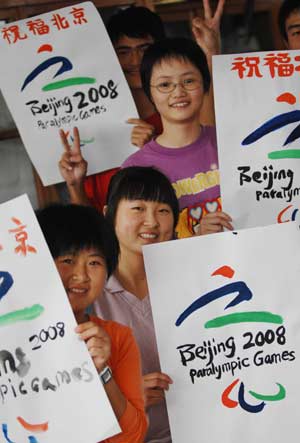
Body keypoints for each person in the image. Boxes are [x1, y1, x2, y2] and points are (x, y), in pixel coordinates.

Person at [79, 2, 224, 212]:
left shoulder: (207, 128)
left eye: (144, 49)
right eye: (124, 52)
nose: (136, 60)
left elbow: (208, 137)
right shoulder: (115, 149)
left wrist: (211, 54)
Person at [36, 204, 148, 443]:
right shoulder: (10, 336)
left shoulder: (118, 338)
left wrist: (102, 371)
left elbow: (133, 437)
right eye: (67, 260)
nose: (82, 275)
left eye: (94, 263)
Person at [93, 166, 179, 443]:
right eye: (138, 208)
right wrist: (124, 394)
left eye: (163, 210)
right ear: (110, 213)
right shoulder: (89, 296)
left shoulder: (193, 282)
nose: (152, 222)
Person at [121, 37, 233, 239]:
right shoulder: (135, 169)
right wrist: (197, 239)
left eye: (188, 81)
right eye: (165, 85)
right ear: (150, 93)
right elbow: (140, 245)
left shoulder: (233, 141)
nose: (178, 92)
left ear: (205, 84)